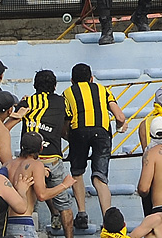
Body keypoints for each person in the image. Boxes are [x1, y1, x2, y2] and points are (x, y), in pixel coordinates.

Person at [62, 62, 127, 228]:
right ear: (92, 78)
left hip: (78, 131)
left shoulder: (68, 93)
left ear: (72, 80)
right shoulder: (103, 89)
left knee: (77, 173)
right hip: (102, 133)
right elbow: (119, 116)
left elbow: (66, 121)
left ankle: (82, 214)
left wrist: (68, 136)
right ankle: (108, 218)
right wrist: (121, 127)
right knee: (100, 177)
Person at [15, 70, 75, 238]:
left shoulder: (26, 102)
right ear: (55, 86)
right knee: (64, 204)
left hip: (29, 160)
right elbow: (66, 126)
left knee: (32, 193)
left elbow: (13, 116)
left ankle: (53, 213)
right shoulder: (63, 102)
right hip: (52, 158)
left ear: (35, 85)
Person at [4, 132, 76, 238]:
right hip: (24, 223)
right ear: (41, 148)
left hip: (8, 223)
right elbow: (42, 195)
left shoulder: (8, 164)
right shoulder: (36, 165)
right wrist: (64, 185)